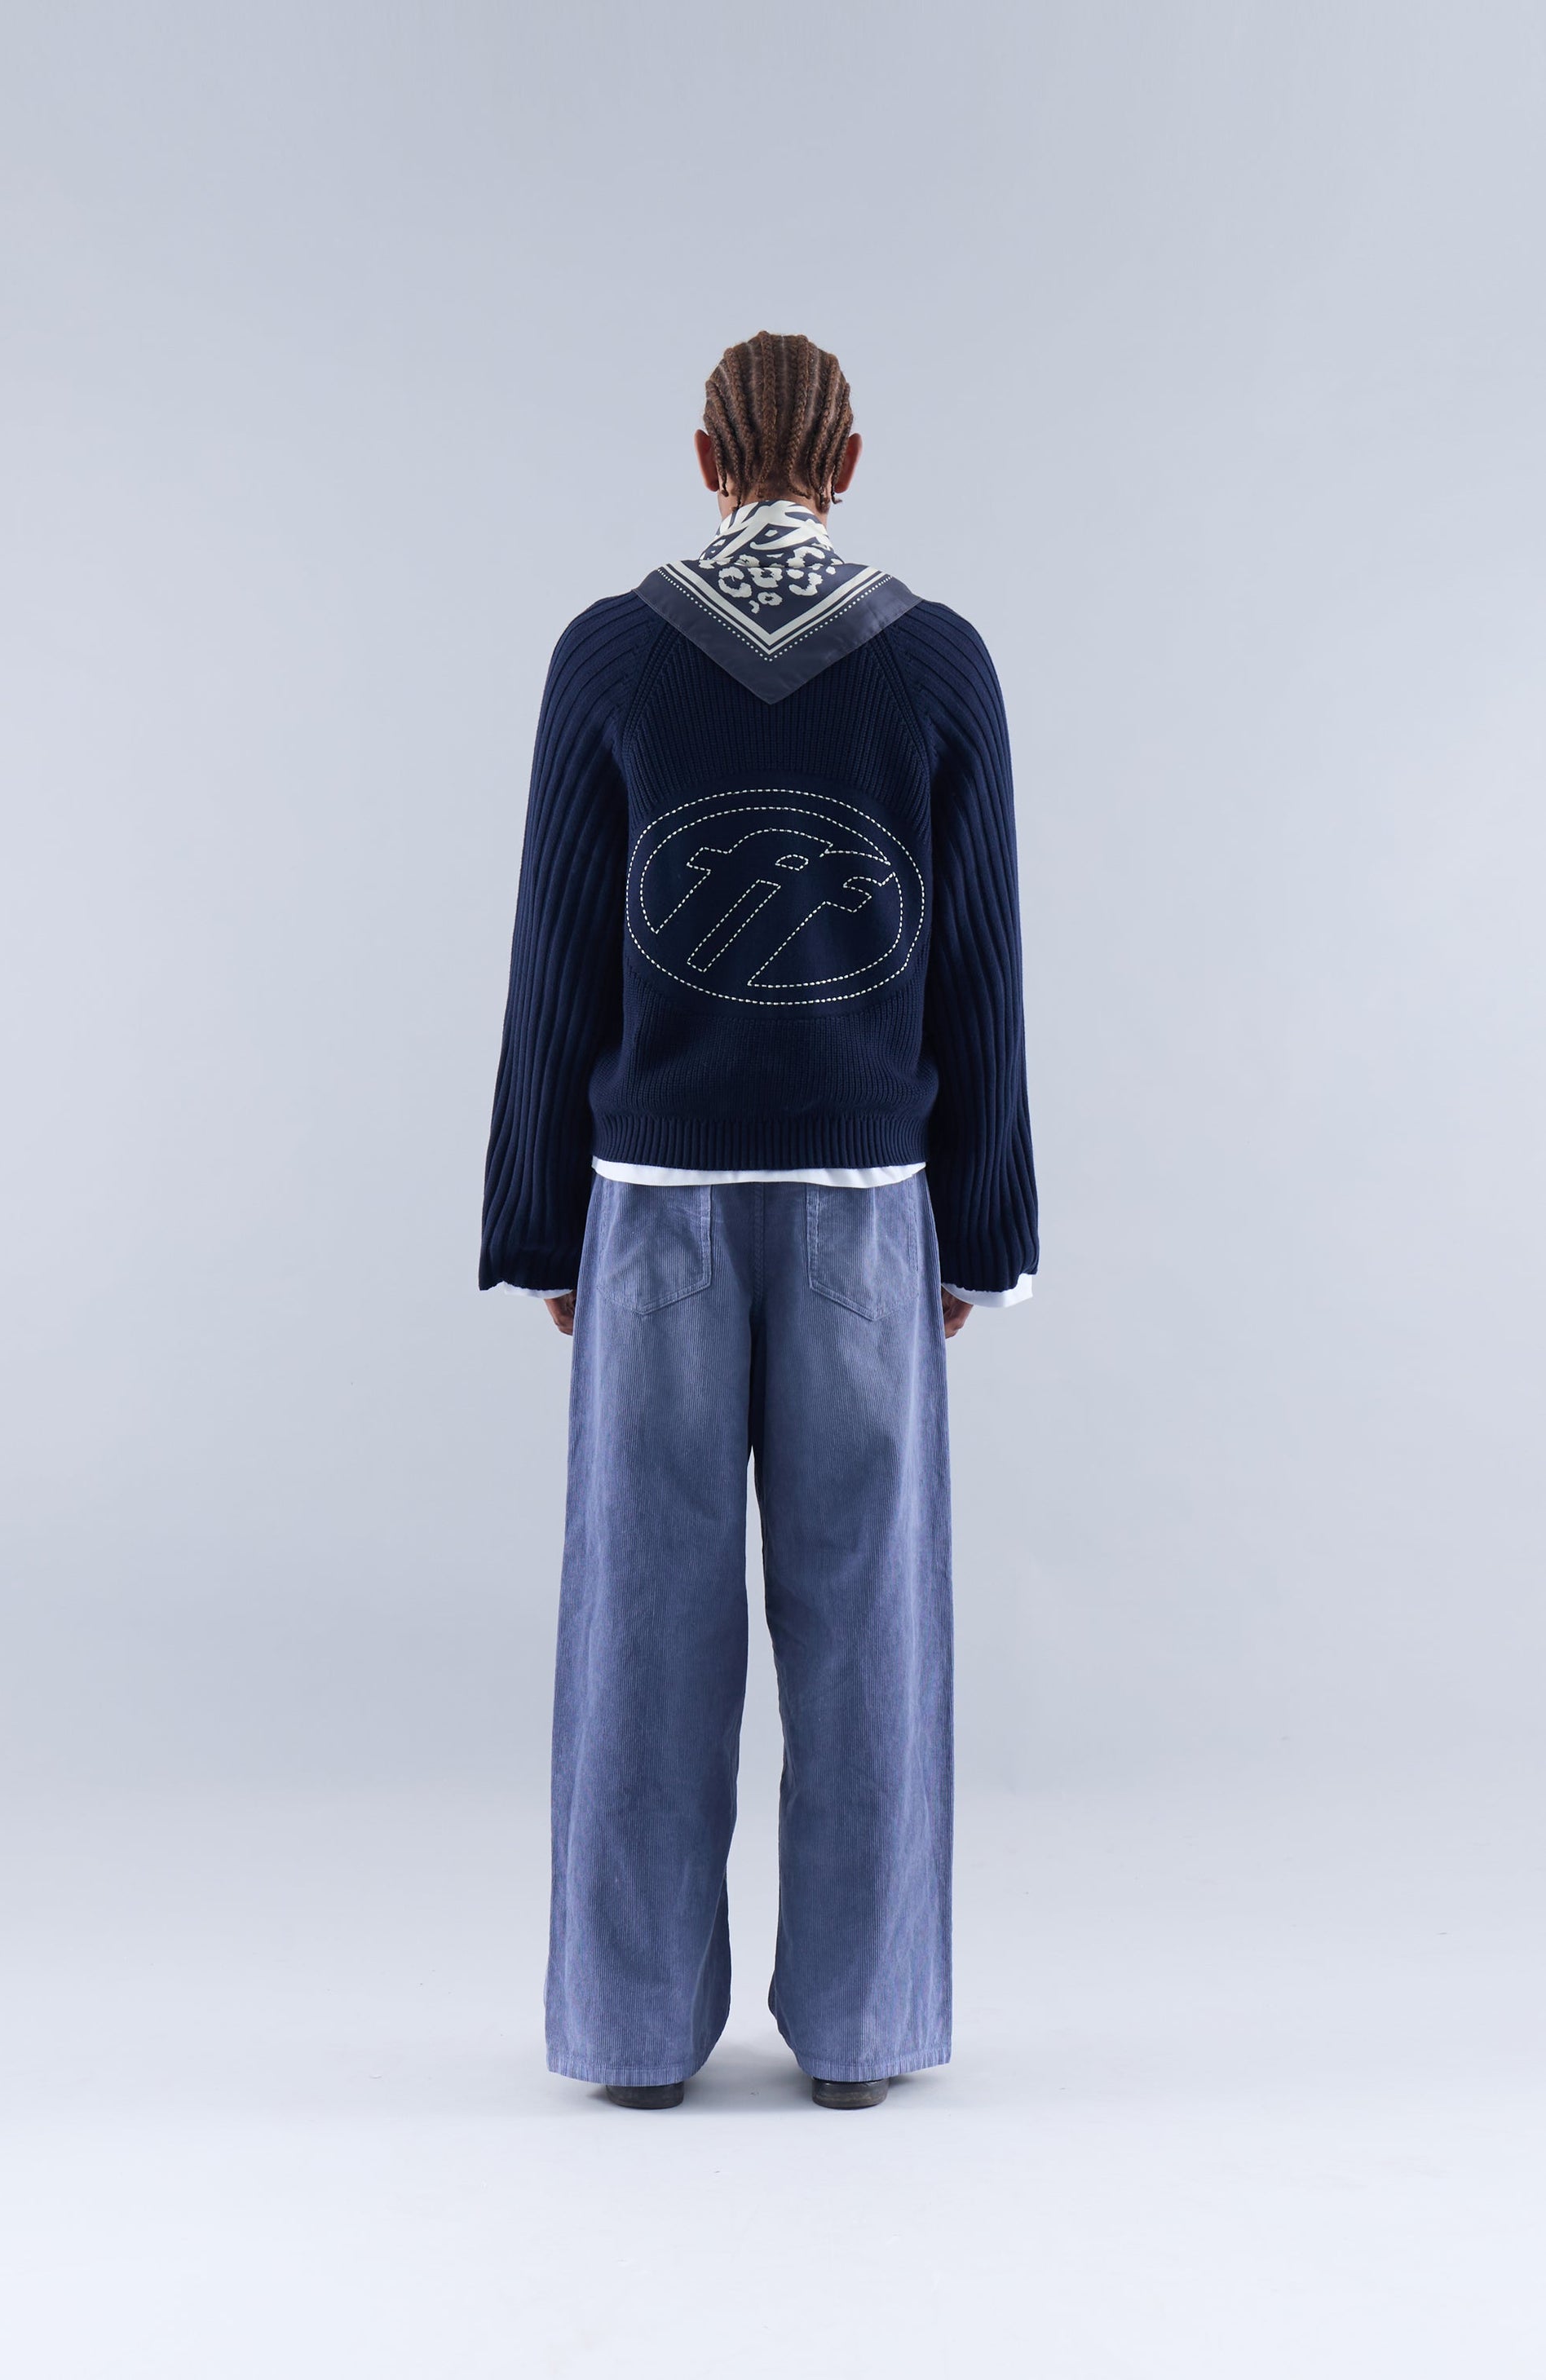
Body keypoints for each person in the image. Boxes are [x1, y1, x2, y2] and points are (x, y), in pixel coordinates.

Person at [479, 331, 1037, 2112]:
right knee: (866, 1612)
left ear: (706, 457)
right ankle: (862, 2034)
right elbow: (978, 971)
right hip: (869, 1207)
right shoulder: (937, 662)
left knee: (641, 1614)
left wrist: (541, 1226)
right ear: (847, 461)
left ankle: (634, 2035)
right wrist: (979, 1232)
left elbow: (558, 952)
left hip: (652, 1208)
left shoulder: (607, 654)